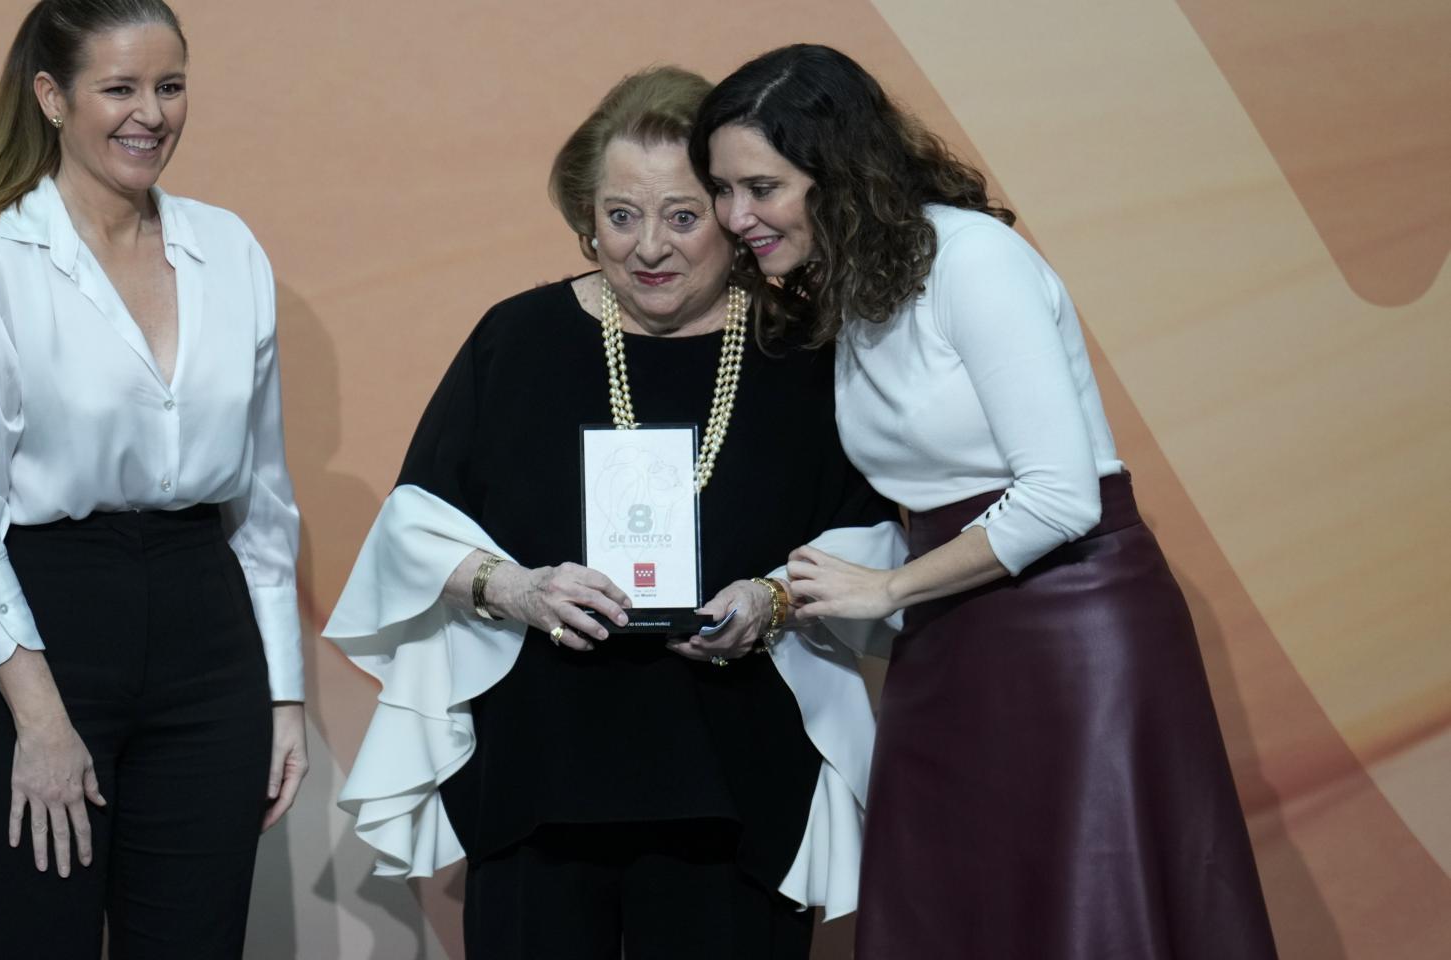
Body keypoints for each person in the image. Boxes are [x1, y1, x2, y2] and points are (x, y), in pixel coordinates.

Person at [693, 43, 1278, 959]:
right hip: (948, 633)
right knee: (951, 905)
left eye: (760, 188)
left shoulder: (974, 259)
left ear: (838, 170)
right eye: (723, 191)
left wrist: (885, 591)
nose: (737, 216)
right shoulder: (847, 289)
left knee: (1089, 910)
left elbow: (1058, 497)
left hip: (1078, 628)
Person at [324, 66, 903, 959]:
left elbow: (871, 540)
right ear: (585, 220)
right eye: (620, 216)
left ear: (734, 216)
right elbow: (415, 527)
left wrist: (772, 600)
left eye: (682, 215)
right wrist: (515, 589)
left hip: (738, 781)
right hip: (540, 775)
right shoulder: (515, 340)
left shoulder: (804, 348)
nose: (649, 248)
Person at [0, 2, 307, 956]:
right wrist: (41, 723)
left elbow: (262, 500)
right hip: (38, 642)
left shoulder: (231, 252)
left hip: (206, 647)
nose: (152, 114)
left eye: (169, 87)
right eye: (120, 89)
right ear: (51, 97)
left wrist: (282, 695)